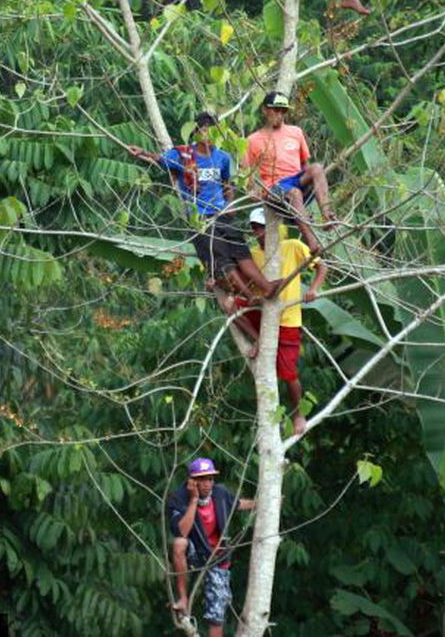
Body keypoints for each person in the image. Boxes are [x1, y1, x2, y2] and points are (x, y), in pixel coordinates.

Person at [129, 112, 280, 299]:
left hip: (221, 213)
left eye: (215, 132)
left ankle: (267, 287)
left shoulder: (223, 157)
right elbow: (159, 159)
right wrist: (142, 153)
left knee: (241, 252)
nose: (210, 136)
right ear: (197, 132)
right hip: (200, 218)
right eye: (207, 131)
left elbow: (227, 183)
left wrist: (230, 204)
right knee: (221, 258)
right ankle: (249, 296)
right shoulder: (183, 155)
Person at [233, 207, 327, 435]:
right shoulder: (252, 254)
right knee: (231, 305)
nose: (258, 233)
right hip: (261, 312)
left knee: (288, 374)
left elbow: (322, 266)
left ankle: (298, 414)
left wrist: (313, 289)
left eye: (262, 228)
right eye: (254, 228)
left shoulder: (293, 246)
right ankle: (257, 340)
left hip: (288, 318)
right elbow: (240, 282)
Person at [168, 458, 255, 637]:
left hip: (218, 558)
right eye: (202, 479)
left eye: (210, 479)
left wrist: (261, 503)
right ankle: (183, 598)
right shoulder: (179, 498)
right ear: (192, 481)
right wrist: (193, 500)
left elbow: (238, 504)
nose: (207, 484)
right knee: (179, 543)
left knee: (216, 617)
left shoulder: (220, 493)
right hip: (195, 553)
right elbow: (182, 531)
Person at [244, 91, 334, 255]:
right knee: (293, 193)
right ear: (265, 110)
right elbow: (246, 175)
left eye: (283, 111)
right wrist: (252, 191)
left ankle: (327, 216)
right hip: (274, 189)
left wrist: (314, 179)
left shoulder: (295, 132)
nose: (280, 115)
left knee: (317, 168)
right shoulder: (253, 140)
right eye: (276, 110)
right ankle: (312, 243)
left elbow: (304, 165)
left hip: (296, 180)